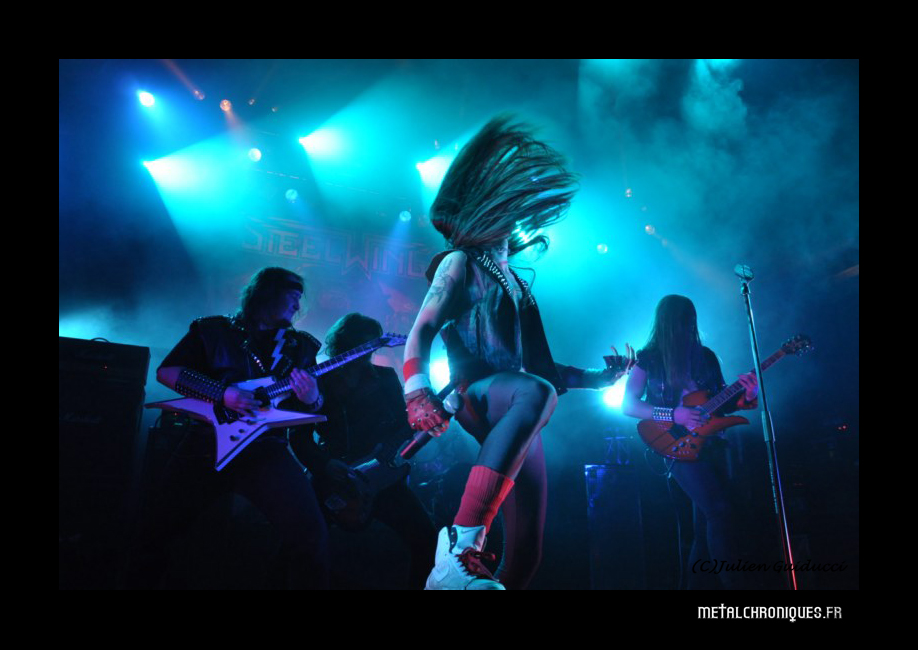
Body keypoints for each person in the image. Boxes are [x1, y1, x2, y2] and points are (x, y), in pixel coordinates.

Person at [402, 115, 634, 590]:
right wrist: (416, 392)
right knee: (535, 393)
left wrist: (599, 378)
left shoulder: (516, 281)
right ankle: (458, 547)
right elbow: (422, 328)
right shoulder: (460, 261)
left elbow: (535, 369)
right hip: (477, 391)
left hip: (516, 394)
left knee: (527, 551)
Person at [126, 267, 330, 589]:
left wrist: (312, 397)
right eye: (292, 295)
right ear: (267, 293)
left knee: (310, 535)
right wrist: (222, 393)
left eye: (299, 298)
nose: (297, 304)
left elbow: (314, 406)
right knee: (156, 531)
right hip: (205, 444)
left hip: (267, 451)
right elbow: (168, 372)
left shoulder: (301, 347)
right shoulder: (214, 331)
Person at [290, 313, 438, 589]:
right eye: (361, 343)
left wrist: (421, 420)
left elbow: (404, 424)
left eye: (372, 344)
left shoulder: (385, 378)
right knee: (300, 544)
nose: (366, 353)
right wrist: (325, 465)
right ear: (344, 344)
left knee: (427, 540)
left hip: (379, 478)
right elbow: (298, 436)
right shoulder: (319, 381)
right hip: (332, 477)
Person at [621, 294, 758, 590]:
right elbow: (628, 405)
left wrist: (748, 395)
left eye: (690, 320)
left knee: (706, 523)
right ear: (667, 323)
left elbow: (722, 402)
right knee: (719, 512)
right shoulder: (648, 359)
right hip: (677, 447)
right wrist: (674, 414)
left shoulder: (705, 357)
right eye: (682, 320)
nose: (688, 326)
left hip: (713, 444)